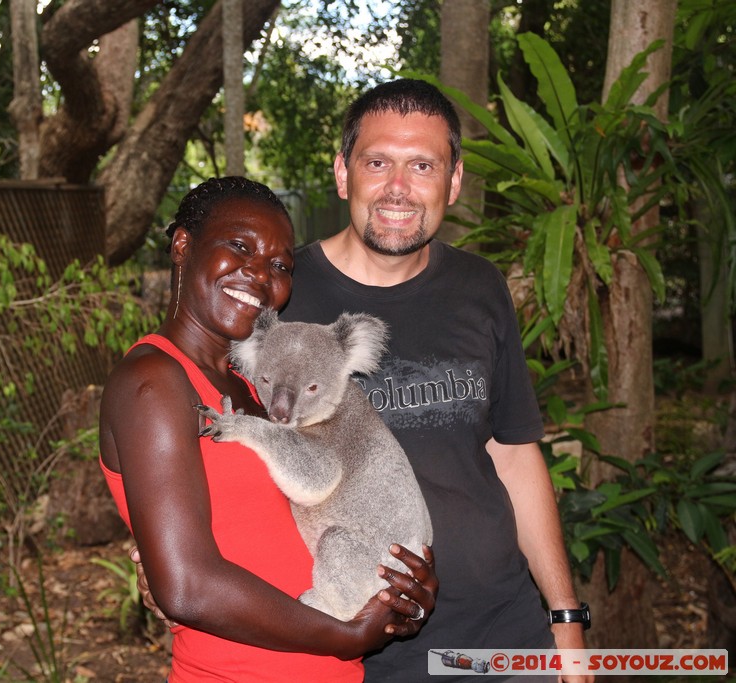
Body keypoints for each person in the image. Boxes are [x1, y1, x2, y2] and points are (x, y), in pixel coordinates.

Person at [278, 78, 591, 682]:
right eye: (377, 163)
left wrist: (565, 619)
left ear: (453, 182)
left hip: (503, 633)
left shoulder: (480, 287)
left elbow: (514, 453)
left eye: (422, 165)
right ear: (344, 174)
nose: (399, 189)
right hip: (358, 646)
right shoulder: (285, 296)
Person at [98, 176, 438, 682]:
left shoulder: (253, 386)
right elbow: (187, 586)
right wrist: (345, 636)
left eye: (279, 265)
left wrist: (398, 595)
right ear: (183, 246)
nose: (259, 274)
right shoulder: (155, 381)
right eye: (239, 247)